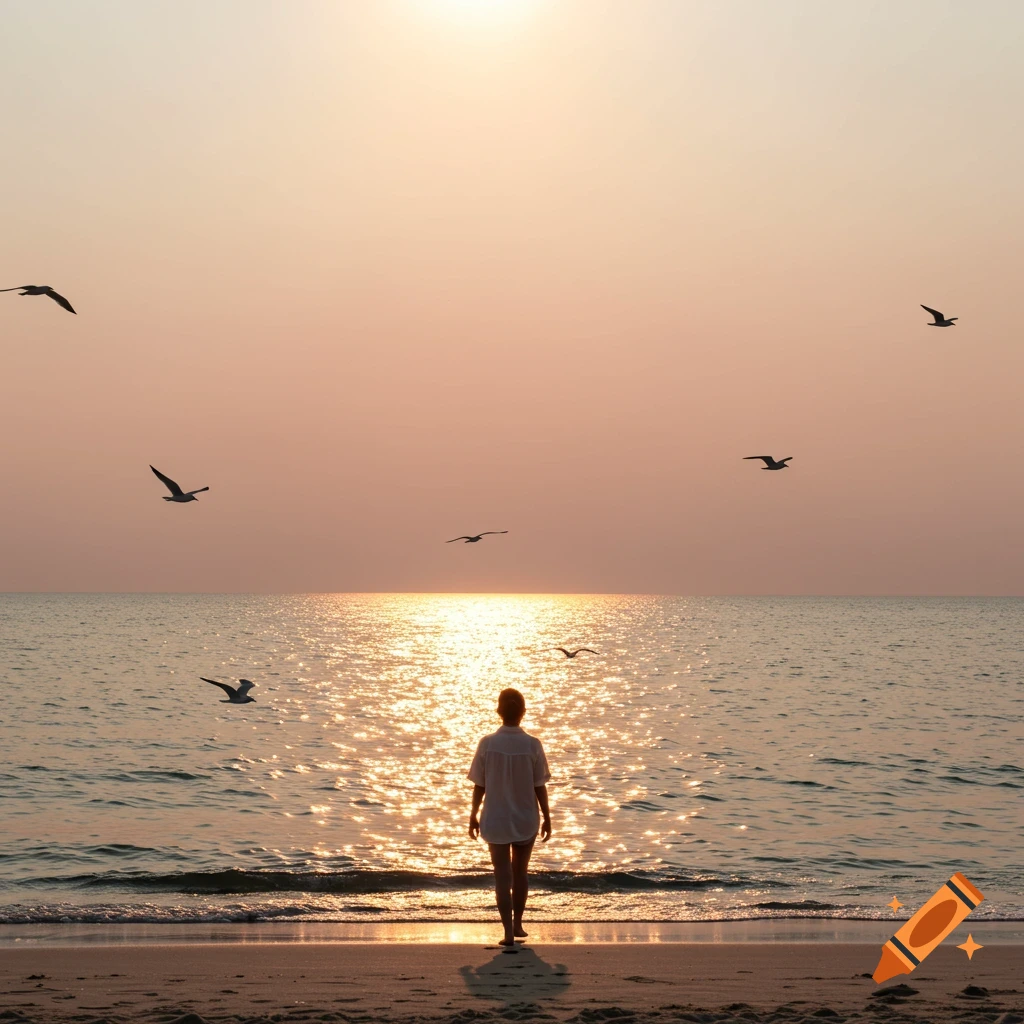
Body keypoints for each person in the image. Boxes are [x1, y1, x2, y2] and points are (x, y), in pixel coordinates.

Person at [467, 688, 551, 946]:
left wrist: (473, 815)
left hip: (496, 818)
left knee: (502, 875)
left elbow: (479, 785)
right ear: (523, 713)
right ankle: (518, 925)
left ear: (498, 712)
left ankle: (506, 932)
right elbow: (539, 786)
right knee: (520, 872)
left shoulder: (487, 743)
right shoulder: (533, 744)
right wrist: (547, 816)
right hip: (525, 817)